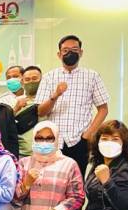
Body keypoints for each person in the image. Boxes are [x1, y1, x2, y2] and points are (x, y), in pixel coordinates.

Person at [35, 35, 110, 177]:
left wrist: (88, 134)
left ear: (81, 52)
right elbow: (40, 112)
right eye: (65, 50)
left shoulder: (92, 76)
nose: (70, 53)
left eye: (74, 49)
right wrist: (55, 95)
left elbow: (103, 109)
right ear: (59, 54)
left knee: (77, 182)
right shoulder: (49, 77)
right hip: (53, 141)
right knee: (53, 180)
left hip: (80, 140)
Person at [0, 66, 44, 157]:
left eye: (15, 76)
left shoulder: (44, 98)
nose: (12, 80)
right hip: (21, 151)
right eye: (8, 77)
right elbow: (2, 124)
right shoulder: (2, 100)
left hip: (43, 148)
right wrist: (16, 108)